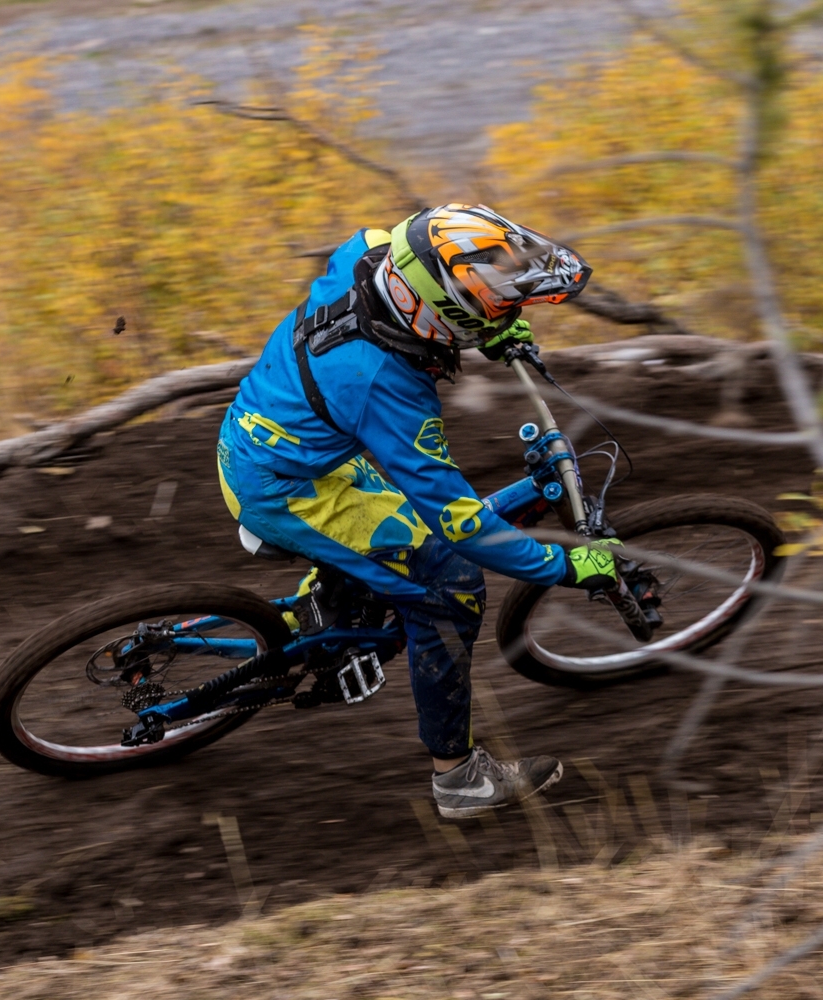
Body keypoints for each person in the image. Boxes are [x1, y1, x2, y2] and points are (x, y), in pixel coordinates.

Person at [216, 204, 619, 818]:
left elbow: (414, 252)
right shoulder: (386, 388)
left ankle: (337, 596)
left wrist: (490, 329)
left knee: (403, 535)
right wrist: (563, 566)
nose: (507, 316)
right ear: (448, 312)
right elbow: (459, 521)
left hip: (270, 436)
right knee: (450, 585)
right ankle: (459, 781)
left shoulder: (369, 254)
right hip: (284, 487)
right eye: (496, 309)